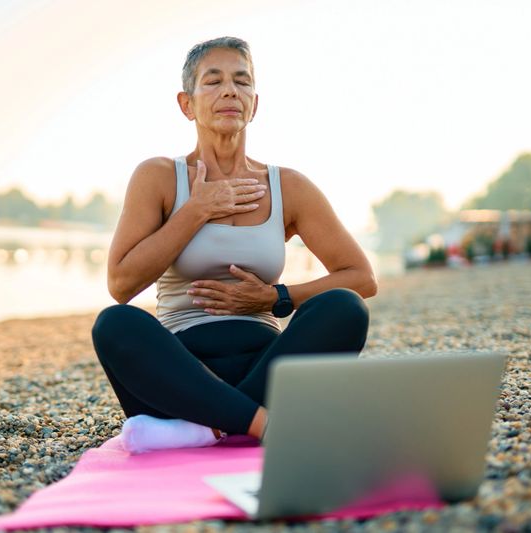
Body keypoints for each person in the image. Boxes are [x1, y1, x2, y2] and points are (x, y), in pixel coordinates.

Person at [91, 36, 376, 454]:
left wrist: (274, 297)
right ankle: (260, 422)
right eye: (214, 81)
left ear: (254, 104)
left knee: (345, 306)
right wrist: (196, 210)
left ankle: (211, 428)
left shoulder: (289, 187)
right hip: (181, 372)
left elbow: (362, 277)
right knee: (115, 323)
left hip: (268, 365)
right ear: (186, 104)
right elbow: (121, 283)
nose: (230, 91)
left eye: (242, 82)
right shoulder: (157, 177)